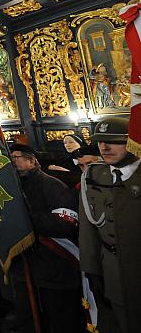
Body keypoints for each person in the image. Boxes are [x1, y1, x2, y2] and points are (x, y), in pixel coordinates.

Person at [9, 144, 84, 333]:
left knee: (61, 321)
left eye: (15, 157)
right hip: (25, 268)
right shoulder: (13, 188)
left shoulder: (51, 185)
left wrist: (26, 218)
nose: (11, 162)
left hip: (53, 268)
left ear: (32, 161)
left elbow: (66, 223)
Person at [80, 116, 140, 333]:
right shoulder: (94, 176)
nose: (104, 147)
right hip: (112, 275)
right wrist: (91, 271)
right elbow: (88, 232)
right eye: (100, 142)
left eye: (114, 141)